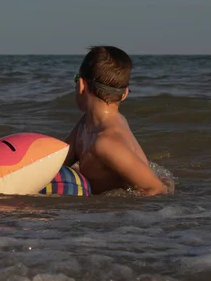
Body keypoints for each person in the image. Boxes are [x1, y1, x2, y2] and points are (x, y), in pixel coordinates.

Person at [64, 46, 174, 196]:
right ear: (124, 95)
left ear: (81, 84)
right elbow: (59, 162)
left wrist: (122, 212)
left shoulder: (106, 143)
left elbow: (157, 189)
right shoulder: (85, 123)